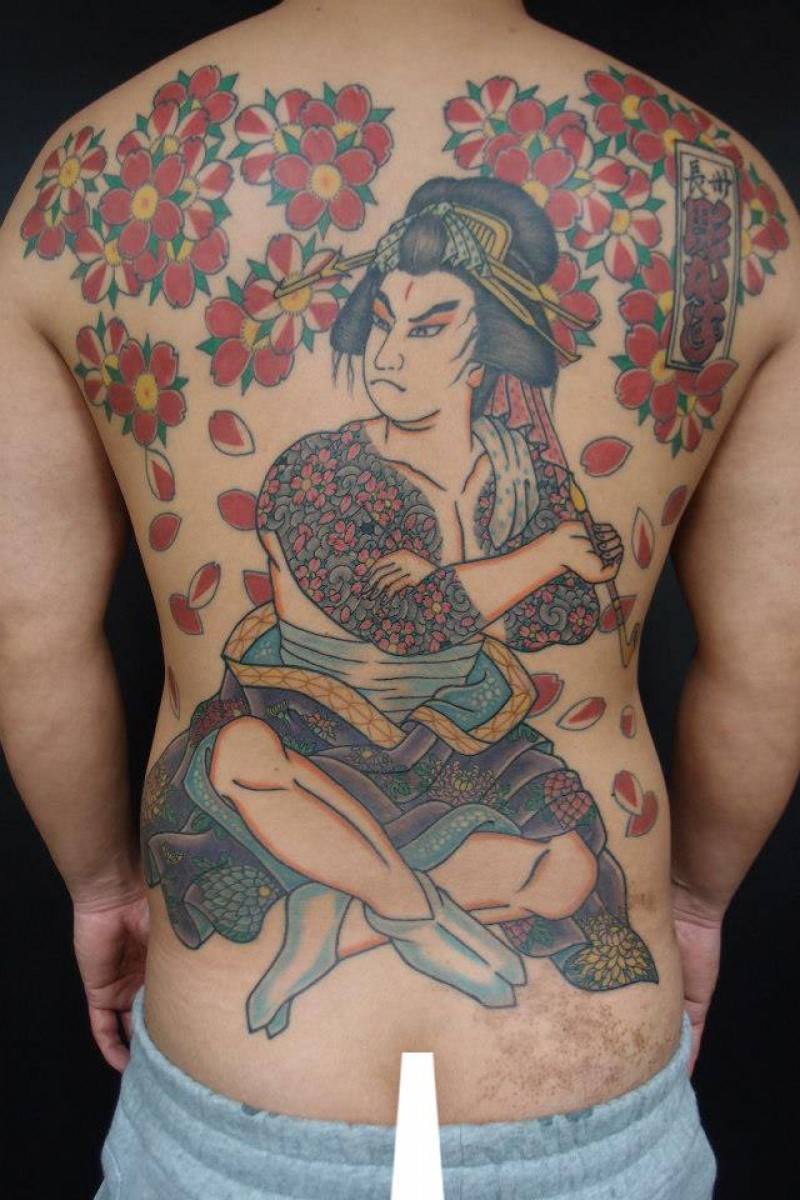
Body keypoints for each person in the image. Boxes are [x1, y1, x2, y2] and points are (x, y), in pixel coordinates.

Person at [0, 1, 797, 1197]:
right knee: (248, 761)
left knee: (560, 870)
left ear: (489, 342)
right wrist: (688, 906)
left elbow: (28, 634)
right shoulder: (732, 203)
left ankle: (348, 915)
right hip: (334, 764)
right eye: (382, 319)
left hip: (423, 817)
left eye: (430, 326)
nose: (388, 352)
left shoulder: (85, 182)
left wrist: (105, 892)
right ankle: (405, 908)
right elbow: (768, 655)